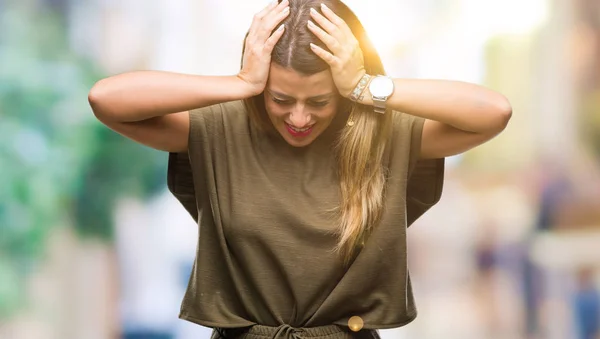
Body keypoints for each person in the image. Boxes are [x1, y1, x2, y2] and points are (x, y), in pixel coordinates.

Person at [88, 0, 512, 338]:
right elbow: (107, 99)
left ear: (343, 92)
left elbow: (493, 112)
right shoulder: (221, 127)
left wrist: (367, 86)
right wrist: (238, 84)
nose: (299, 118)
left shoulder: (383, 135)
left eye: (319, 101)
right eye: (281, 98)